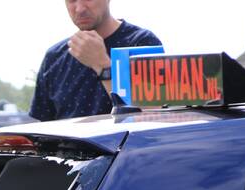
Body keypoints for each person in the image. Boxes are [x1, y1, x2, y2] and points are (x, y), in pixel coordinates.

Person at [30, 0, 162, 121]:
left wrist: (102, 65)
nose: (80, 9)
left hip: (120, 146)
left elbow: (152, 118)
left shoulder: (142, 43)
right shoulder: (54, 56)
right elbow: (43, 127)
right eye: (71, 0)